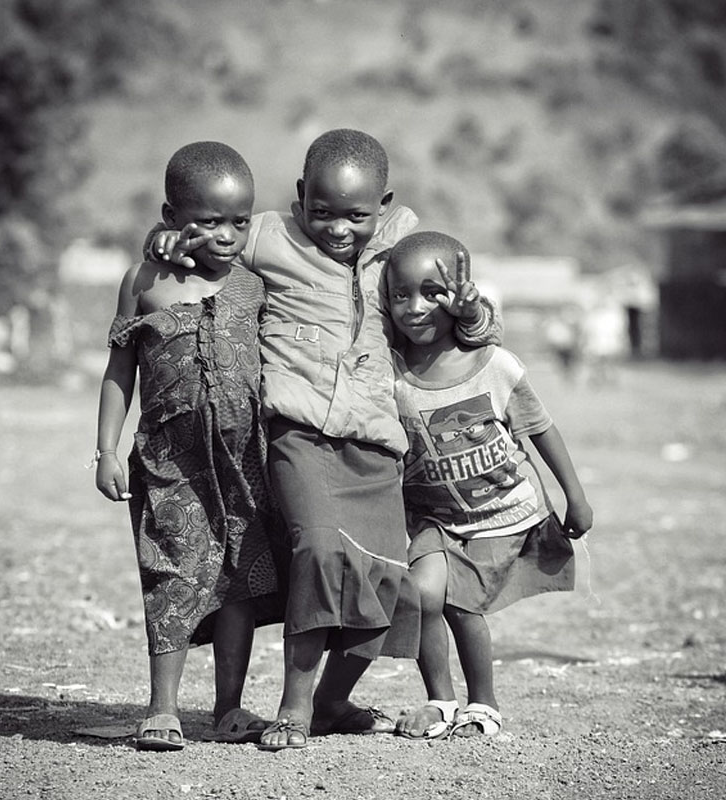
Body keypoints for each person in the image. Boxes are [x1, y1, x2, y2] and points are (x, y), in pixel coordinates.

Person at [146, 129, 503, 750]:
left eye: (357, 216)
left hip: (376, 443)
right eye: (323, 211)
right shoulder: (266, 235)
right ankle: (295, 707)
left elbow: (465, 322)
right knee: (316, 551)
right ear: (300, 196)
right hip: (299, 432)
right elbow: (207, 242)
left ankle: (333, 699)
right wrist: (163, 243)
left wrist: (472, 311)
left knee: (388, 584)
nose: (338, 228)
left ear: (384, 205)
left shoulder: (403, 245)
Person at [94, 141, 283, 751]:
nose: (226, 236)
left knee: (237, 581)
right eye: (207, 221)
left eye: (239, 222)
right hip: (168, 461)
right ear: (171, 215)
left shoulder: (255, 287)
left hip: (245, 464)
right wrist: (104, 450)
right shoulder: (145, 281)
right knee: (171, 572)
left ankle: (229, 709)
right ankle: (163, 708)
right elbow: (120, 370)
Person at [387, 231, 593, 740]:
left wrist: (575, 495)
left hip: (498, 515)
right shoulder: (390, 373)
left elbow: (540, 427)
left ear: (459, 297)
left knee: (460, 603)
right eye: (399, 295)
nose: (413, 308)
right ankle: (440, 700)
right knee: (422, 595)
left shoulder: (496, 367)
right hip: (432, 516)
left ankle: (484, 703)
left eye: (431, 293)